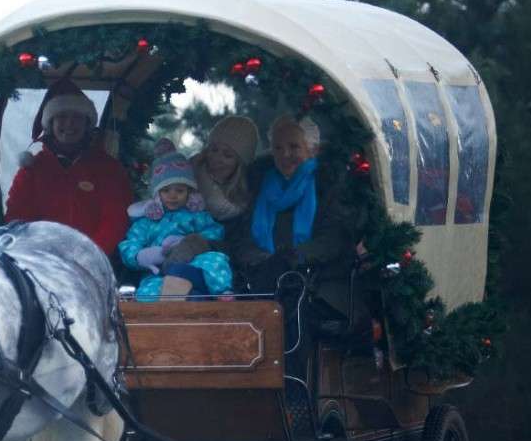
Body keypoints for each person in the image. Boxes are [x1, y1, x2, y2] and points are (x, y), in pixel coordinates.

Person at [225, 114, 363, 319]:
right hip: (261, 281)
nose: (285, 154)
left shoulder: (330, 184)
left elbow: (333, 239)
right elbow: (241, 238)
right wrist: (265, 261)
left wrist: (293, 259)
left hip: (318, 285)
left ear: (312, 149)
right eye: (278, 148)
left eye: (294, 147)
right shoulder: (259, 185)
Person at [5, 78, 132, 256]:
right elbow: (18, 218)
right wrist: (41, 254)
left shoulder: (108, 169)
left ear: (87, 124)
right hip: (43, 259)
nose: (69, 124)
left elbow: (115, 220)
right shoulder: (32, 169)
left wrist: (89, 255)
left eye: (77, 118)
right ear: (51, 124)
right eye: (62, 118)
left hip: (94, 259)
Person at [118, 149, 233, 301]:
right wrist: (140, 256)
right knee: (147, 293)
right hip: (158, 271)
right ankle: (161, 312)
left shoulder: (197, 216)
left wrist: (190, 242)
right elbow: (130, 243)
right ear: (157, 193)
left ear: (189, 191)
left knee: (215, 260)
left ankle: (222, 293)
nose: (173, 196)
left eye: (179, 190)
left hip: (192, 262)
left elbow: (214, 233)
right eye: (166, 190)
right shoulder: (146, 222)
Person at [192, 115, 260, 223]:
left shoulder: (236, 207)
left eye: (227, 155)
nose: (217, 158)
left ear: (240, 165)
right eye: (214, 150)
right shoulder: (190, 169)